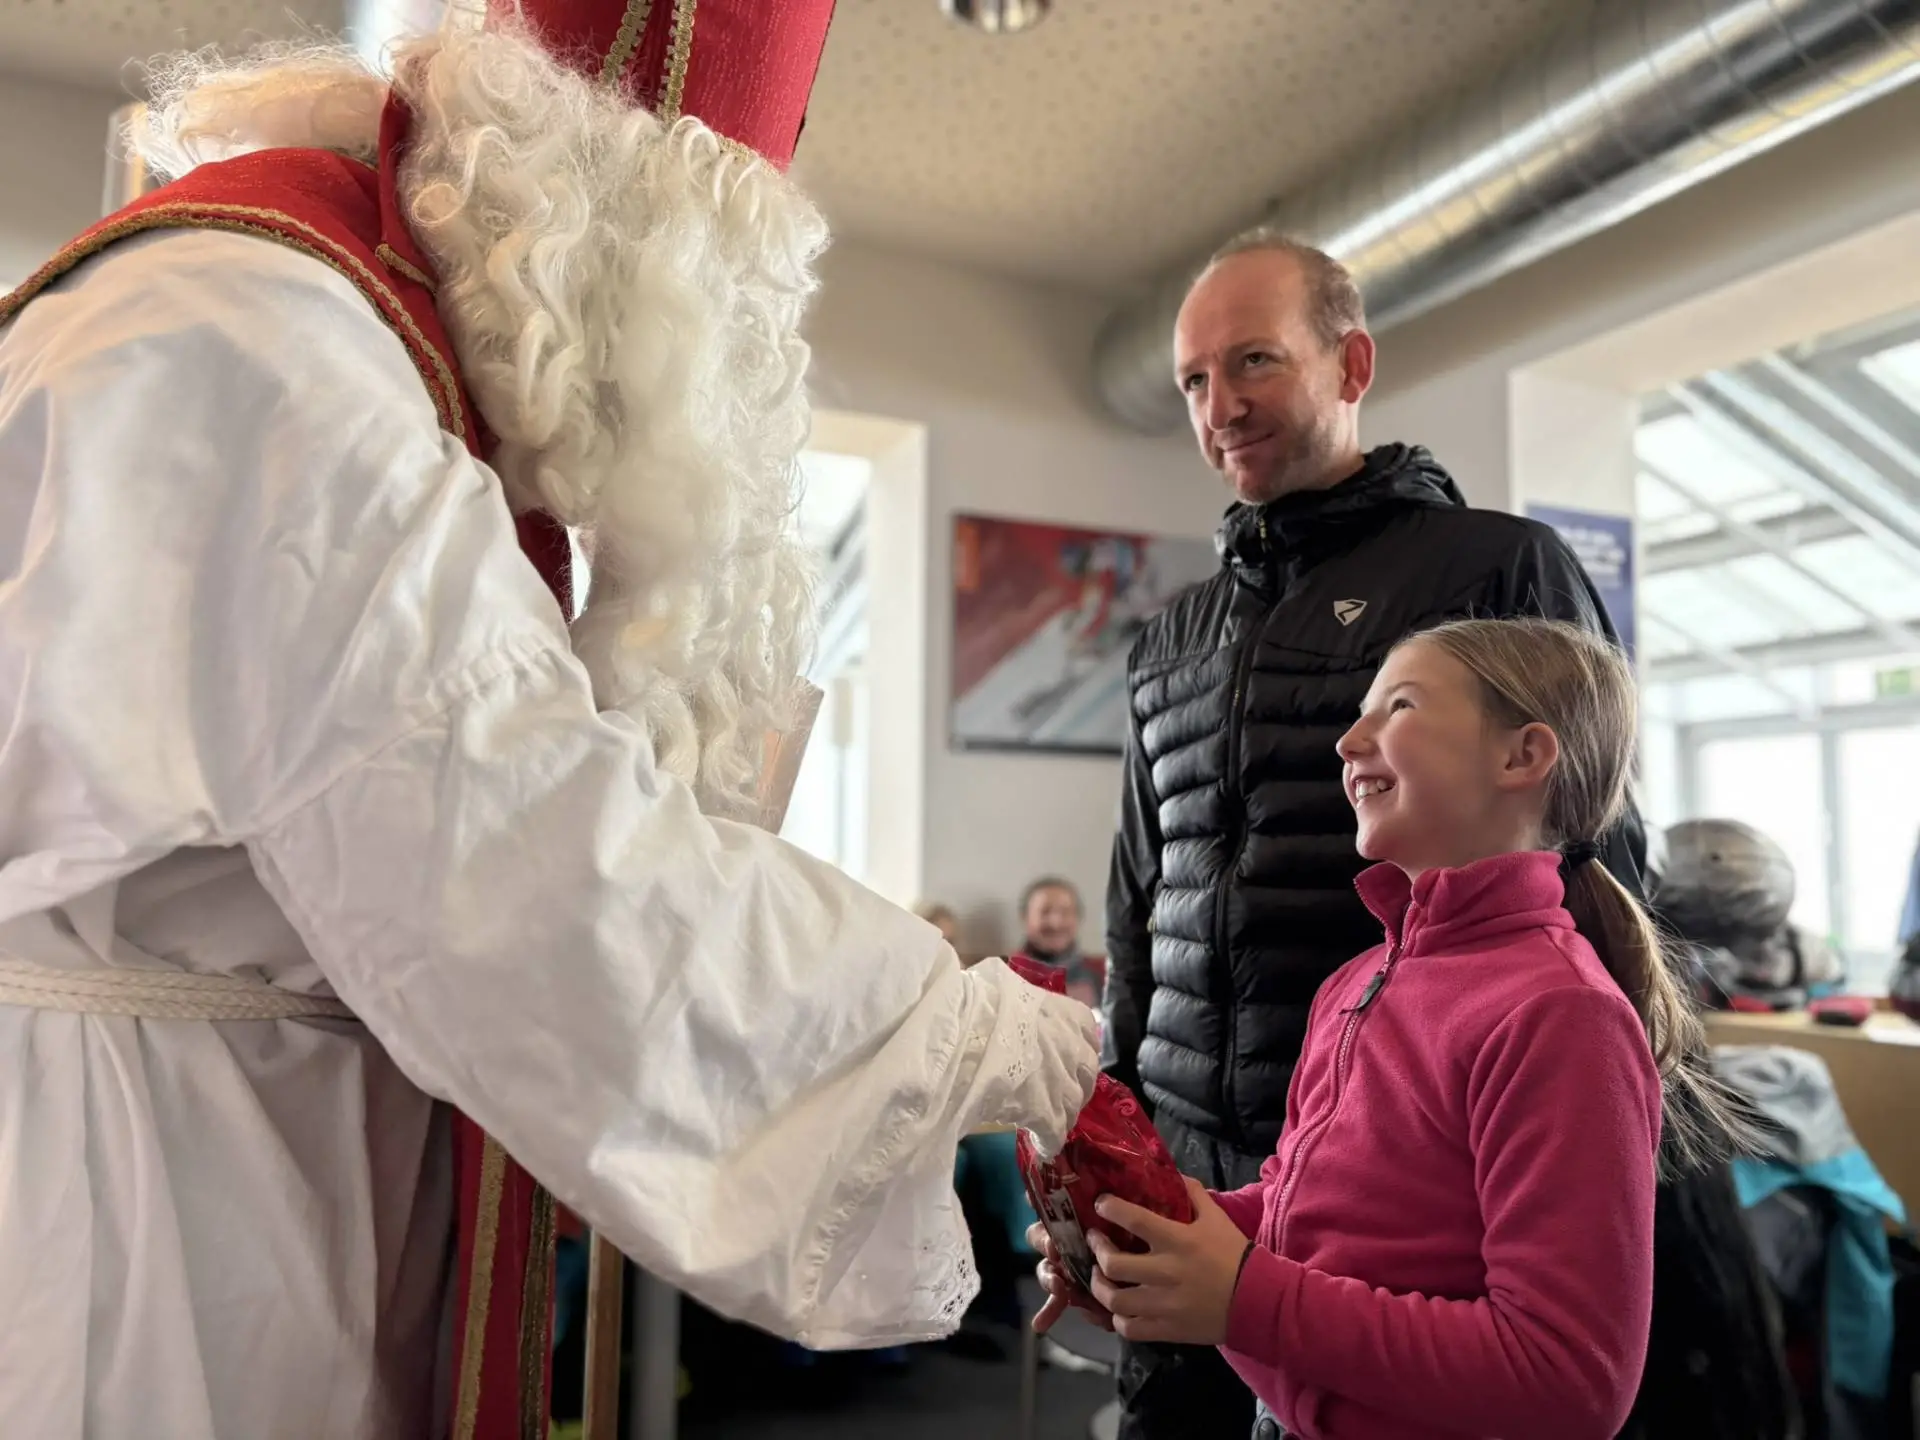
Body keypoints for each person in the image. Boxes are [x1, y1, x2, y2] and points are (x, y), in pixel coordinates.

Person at [0, 5, 1099, 1437]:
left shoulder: (329, 304)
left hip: (215, 1126)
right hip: (136, 1207)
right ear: (613, 225)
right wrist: (964, 1034)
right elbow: (532, 875)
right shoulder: (274, 341)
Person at [1101, 230, 1786, 1437]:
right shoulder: (1170, 635)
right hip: (1212, 1164)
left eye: (1254, 360)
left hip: (1413, 1176)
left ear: (1351, 362)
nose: (1222, 405)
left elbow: (1592, 857)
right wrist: (1117, 1128)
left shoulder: (1499, 565)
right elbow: (1141, 890)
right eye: (1195, 380)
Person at [1044, 618, 1751, 1438]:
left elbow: (1568, 1382)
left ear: (1522, 757)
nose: (1348, 741)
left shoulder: (1563, 1017)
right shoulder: (1356, 982)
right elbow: (1304, 1215)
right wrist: (1156, 1237)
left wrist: (1243, 1295)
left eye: (1399, 707)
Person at [1019, 875, 1102, 1008]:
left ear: (1077, 918)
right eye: (1044, 912)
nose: (1055, 923)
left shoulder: (1103, 975)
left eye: (1065, 912)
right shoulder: (1002, 976)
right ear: (1025, 918)